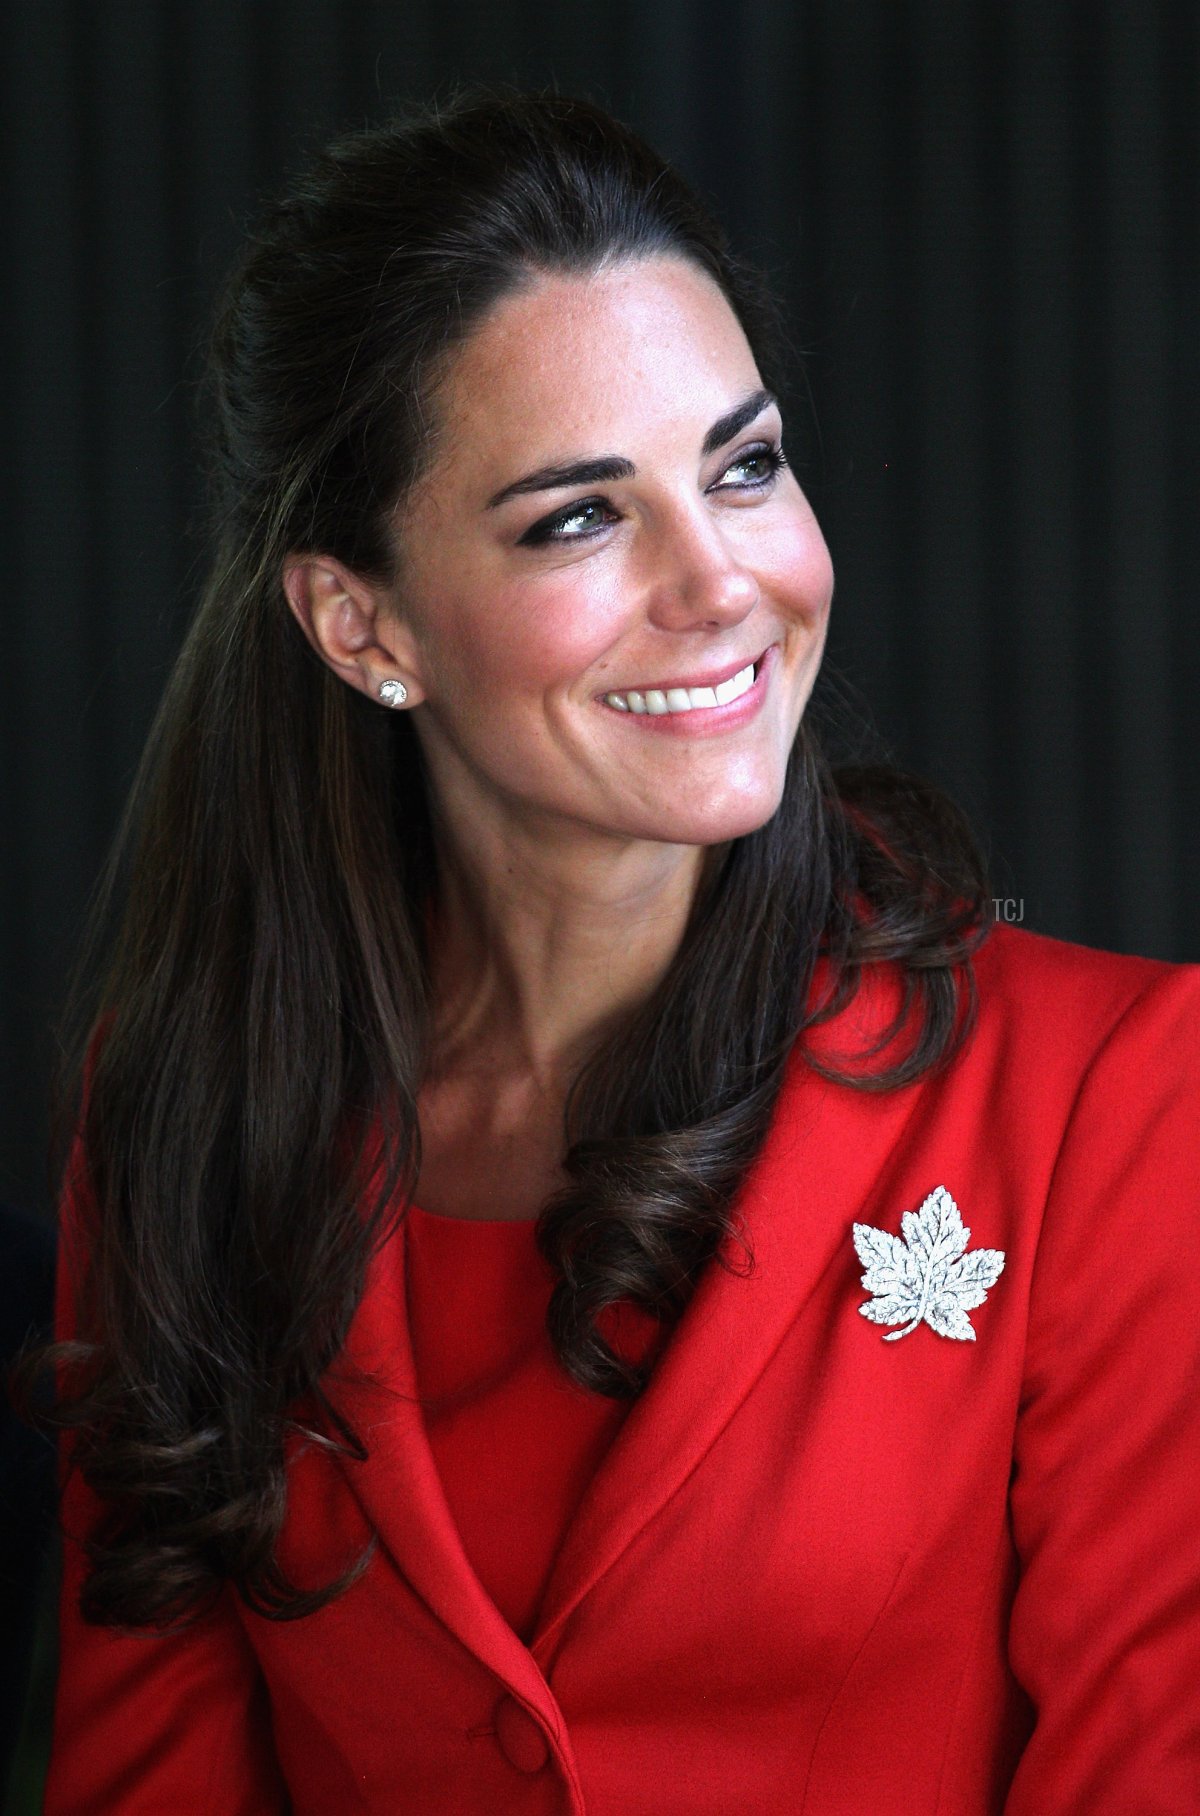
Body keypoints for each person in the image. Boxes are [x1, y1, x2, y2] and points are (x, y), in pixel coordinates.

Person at [37, 88, 1200, 1813]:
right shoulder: (188, 1116)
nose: (720, 580)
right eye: (580, 517)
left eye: (742, 466)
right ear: (361, 625)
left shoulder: (1112, 1096)